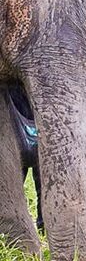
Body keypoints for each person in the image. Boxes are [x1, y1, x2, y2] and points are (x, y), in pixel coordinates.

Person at [6, 86, 43, 231]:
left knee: (16, 184)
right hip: (35, 134)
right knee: (40, 184)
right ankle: (41, 226)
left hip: (17, 135)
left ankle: (39, 225)